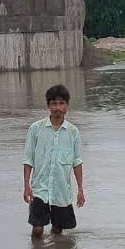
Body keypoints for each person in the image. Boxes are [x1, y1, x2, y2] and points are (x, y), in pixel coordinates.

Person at [23, 83, 85, 239]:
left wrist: (80, 189)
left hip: (61, 190)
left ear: (67, 106)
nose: (58, 108)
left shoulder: (73, 132)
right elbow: (28, 159)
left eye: (61, 103)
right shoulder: (36, 129)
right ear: (48, 106)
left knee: (58, 230)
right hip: (39, 189)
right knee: (37, 228)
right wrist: (26, 186)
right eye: (54, 104)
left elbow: (77, 162)